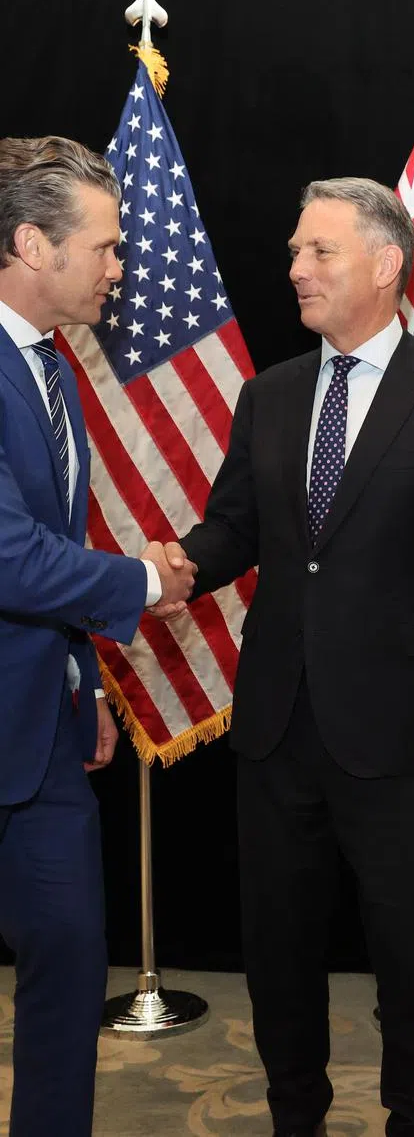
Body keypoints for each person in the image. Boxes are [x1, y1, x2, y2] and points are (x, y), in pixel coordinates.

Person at [151, 177, 414, 1137]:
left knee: (410, 957)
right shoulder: (270, 393)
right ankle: (296, 1119)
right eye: (294, 251)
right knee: (278, 955)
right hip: (277, 729)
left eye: (319, 251)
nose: (296, 269)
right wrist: (179, 564)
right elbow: (238, 526)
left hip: (406, 741)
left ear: (386, 264)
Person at [0, 135, 195, 1137]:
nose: (120, 266)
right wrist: (145, 582)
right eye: (107, 246)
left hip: (46, 739)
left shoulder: (53, 368)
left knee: (72, 968)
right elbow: (8, 556)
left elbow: (53, 545)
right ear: (34, 245)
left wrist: (85, 683)